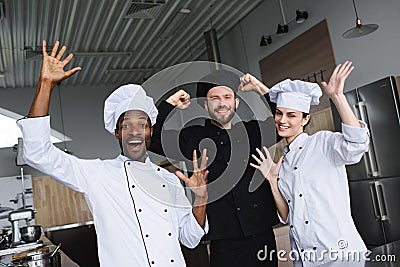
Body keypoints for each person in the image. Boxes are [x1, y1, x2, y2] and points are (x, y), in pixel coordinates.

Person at [16, 40, 210, 267]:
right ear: (117, 133)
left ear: (151, 131)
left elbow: (190, 237)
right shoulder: (98, 174)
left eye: (142, 124)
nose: (134, 132)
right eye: (126, 125)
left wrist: (201, 198)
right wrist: (45, 85)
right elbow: (37, 152)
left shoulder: (169, 180)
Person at [149, 69, 279, 266]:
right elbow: (152, 138)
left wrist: (259, 88)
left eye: (227, 97)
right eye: (214, 98)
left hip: (261, 234)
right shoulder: (192, 138)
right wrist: (170, 104)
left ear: (236, 102)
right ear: (205, 104)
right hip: (223, 241)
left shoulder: (253, 132)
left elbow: (283, 120)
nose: (221, 103)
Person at [251, 61, 369, 266]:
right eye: (279, 113)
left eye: (291, 115)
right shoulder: (283, 162)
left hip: (339, 255)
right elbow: (287, 215)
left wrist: (337, 97)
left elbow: (357, 143)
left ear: (305, 119)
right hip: (305, 258)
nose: (282, 120)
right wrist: (272, 180)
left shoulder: (322, 143)